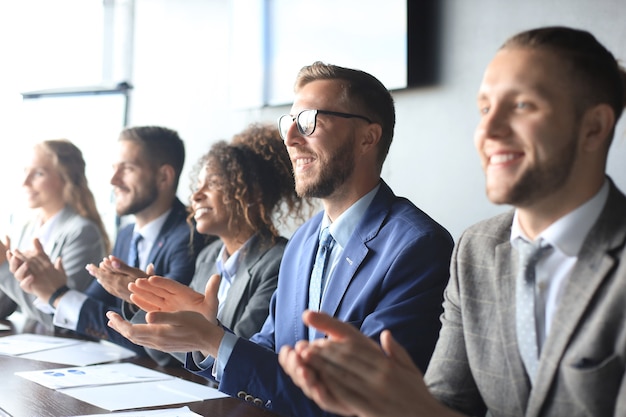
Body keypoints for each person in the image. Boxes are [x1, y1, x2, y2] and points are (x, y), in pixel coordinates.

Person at [279, 26, 626, 417]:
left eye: (524, 105)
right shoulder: (476, 250)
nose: (487, 131)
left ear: (594, 127)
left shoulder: (420, 244)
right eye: (484, 109)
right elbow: (447, 403)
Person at [107, 61, 454, 417]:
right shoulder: (302, 242)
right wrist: (207, 334)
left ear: (368, 137)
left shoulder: (418, 248)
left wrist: (213, 341)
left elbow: (361, 398)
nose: (290, 138)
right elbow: (270, 351)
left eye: (309, 121)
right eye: (289, 123)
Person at [124, 123, 311, 365]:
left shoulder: (279, 261)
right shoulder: (207, 255)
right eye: (198, 185)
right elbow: (166, 354)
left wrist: (187, 334)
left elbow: (236, 351)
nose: (196, 195)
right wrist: (148, 305)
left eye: (212, 184)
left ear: (252, 193)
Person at [12, 126, 205, 354]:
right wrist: (55, 292)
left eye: (128, 169)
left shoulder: (191, 237)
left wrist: (59, 295)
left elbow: (161, 335)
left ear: (164, 176)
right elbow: (94, 309)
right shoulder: (126, 234)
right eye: (114, 168)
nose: (113, 180)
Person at [0, 139, 109, 328]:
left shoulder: (82, 232)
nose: (25, 182)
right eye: (26, 171)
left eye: (39, 173)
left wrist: (2, 265)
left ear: (65, 179)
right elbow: (8, 302)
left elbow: (62, 316)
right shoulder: (26, 228)